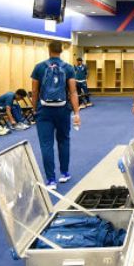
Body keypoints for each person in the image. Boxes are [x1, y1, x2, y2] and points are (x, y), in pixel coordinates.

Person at [31, 41, 81, 189]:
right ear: (62, 51)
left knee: (46, 145)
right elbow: (73, 92)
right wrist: (77, 112)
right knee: (64, 141)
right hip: (62, 110)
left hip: (44, 110)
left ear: (49, 50)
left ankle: (51, 180)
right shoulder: (68, 68)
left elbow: (34, 92)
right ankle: (64, 173)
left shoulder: (39, 67)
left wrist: (35, 109)